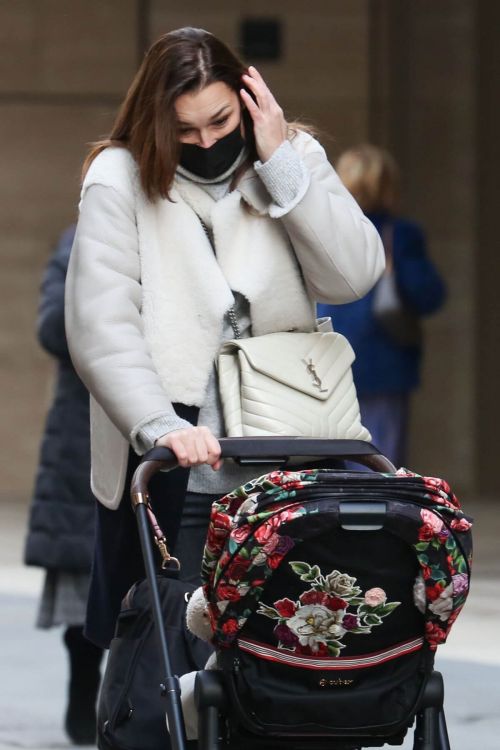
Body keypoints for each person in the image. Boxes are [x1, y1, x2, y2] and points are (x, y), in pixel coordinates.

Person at [64, 27, 385, 651]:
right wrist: (158, 424)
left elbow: (354, 275)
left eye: (219, 120)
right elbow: (101, 322)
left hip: (285, 453)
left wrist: (280, 163)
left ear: (248, 98)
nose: (207, 142)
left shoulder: (290, 158)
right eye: (185, 130)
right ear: (156, 121)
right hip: (174, 460)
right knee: (160, 659)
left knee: (288, 655)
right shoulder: (119, 177)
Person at [318, 144, 446, 467]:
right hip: (383, 365)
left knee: (334, 459)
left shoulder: (323, 229)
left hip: (326, 362)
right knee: (380, 463)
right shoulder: (400, 235)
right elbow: (428, 294)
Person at [24, 226, 103, 745]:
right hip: (86, 431)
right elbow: (52, 328)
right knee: (86, 575)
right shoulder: (80, 242)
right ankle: (82, 686)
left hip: (179, 425)